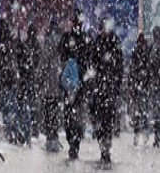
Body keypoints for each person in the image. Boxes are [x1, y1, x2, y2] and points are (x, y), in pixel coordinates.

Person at [89, 17, 124, 168]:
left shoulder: (112, 42)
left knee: (107, 121)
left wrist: (115, 85)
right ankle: (103, 148)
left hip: (107, 89)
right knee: (100, 120)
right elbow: (92, 63)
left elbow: (119, 66)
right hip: (100, 89)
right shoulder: (98, 42)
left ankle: (106, 150)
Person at [58, 9, 91, 161]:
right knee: (72, 116)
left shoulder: (74, 38)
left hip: (73, 85)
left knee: (72, 116)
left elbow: (62, 56)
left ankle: (74, 144)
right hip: (75, 85)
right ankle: (74, 143)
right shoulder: (81, 38)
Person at [38, 19, 63, 151]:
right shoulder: (62, 41)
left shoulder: (48, 43)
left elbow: (43, 64)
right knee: (55, 111)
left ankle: (50, 139)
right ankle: (55, 136)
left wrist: (39, 79)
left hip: (49, 85)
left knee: (48, 112)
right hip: (58, 84)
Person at [128, 32, 152, 146]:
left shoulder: (139, 52)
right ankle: (140, 134)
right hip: (141, 87)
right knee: (141, 112)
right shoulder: (144, 52)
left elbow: (132, 70)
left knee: (140, 112)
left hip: (140, 86)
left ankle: (139, 134)